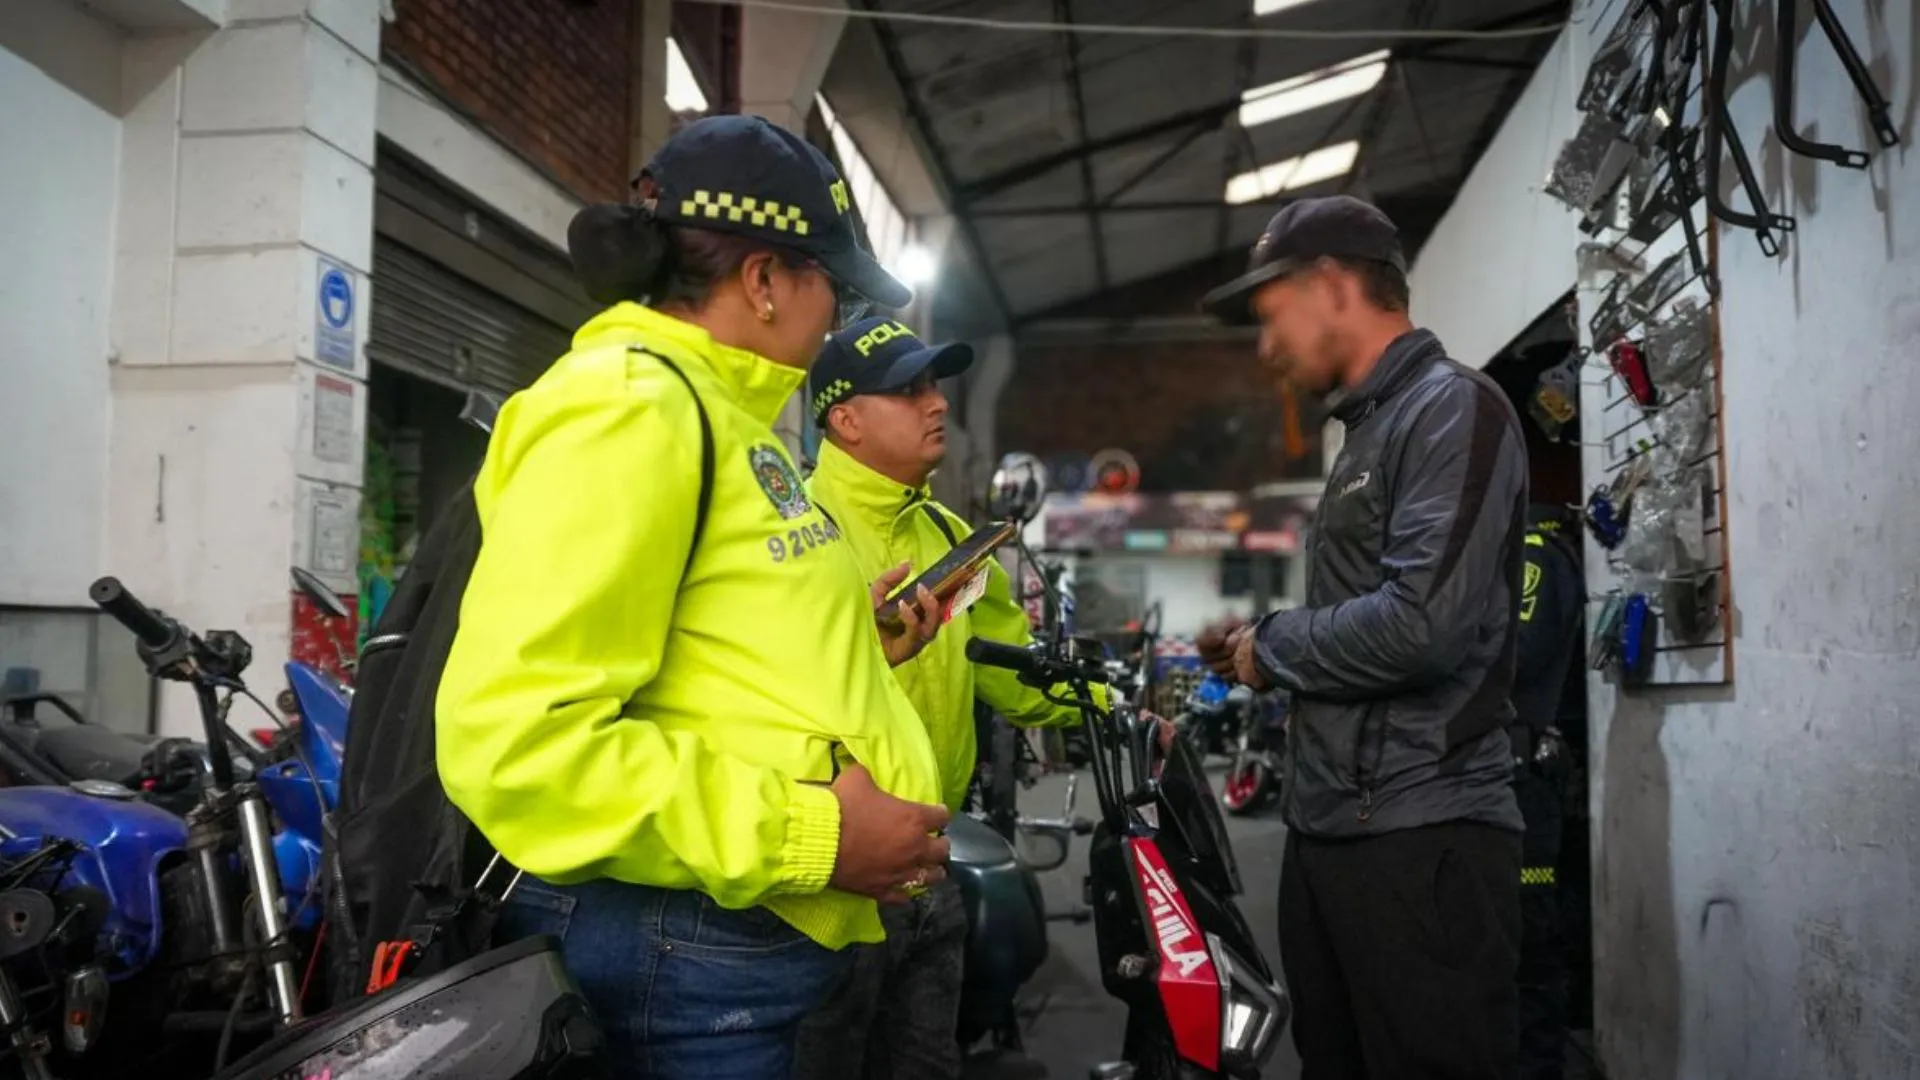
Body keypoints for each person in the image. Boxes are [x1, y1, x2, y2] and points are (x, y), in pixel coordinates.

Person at [433, 115, 955, 1079]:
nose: (833, 320)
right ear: (762, 280)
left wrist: (852, 646)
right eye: (829, 290)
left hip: (730, 941)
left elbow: (705, 647)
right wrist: (816, 834)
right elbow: (521, 741)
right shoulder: (632, 410)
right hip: (688, 950)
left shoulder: (724, 418)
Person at [1195, 194, 1530, 1079]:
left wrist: (1273, 646)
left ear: (1332, 285)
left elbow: (1420, 625)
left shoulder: (1451, 408)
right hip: (1338, 829)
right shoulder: (1373, 430)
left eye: (1272, 318)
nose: (1267, 348)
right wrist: (1257, 645)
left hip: (1425, 835)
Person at [789, 317, 1115, 1079]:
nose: (937, 404)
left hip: (932, 865)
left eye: (934, 385)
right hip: (828, 883)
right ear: (845, 418)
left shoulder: (949, 540)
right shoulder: (798, 538)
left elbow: (1006, 669)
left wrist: (1108, 704)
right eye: (908, 390)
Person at [1511, 504, 1585, 1080]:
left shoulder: (1533, 554)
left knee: (1529, 953)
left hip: (1523, 785)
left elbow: (1517, 660)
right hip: (1506, 784)